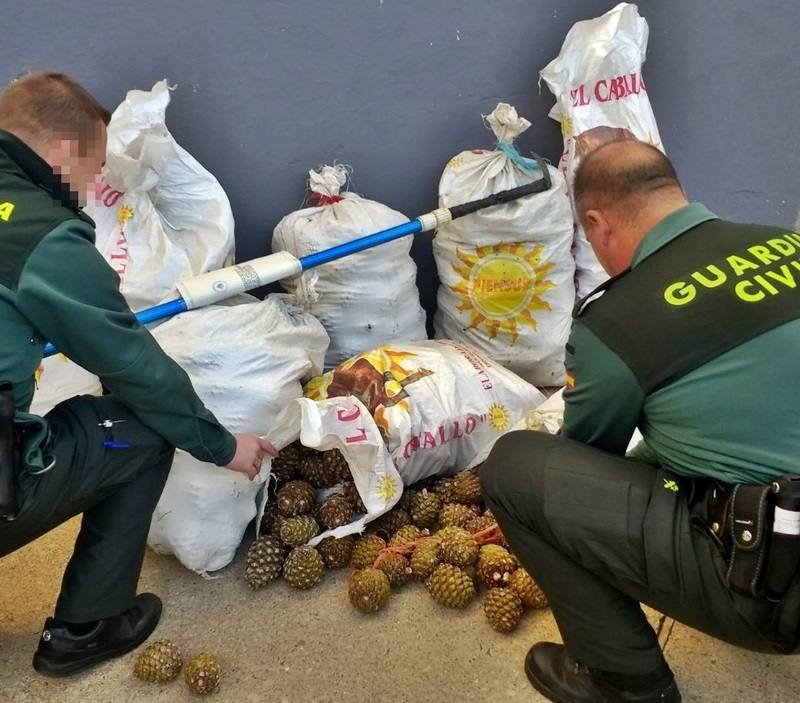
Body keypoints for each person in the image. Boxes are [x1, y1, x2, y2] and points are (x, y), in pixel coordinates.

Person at [481, 140, 800, 703]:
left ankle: (624, 683)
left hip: (778, 593)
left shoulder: (617, 323)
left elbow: (584, 468)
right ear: (676, 194)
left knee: (518, 470)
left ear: (597, 223)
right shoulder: (784, 244)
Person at [0, 72, 277, 677]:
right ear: (61, 152)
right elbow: (130, 362)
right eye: (92, 167)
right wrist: (222, 444)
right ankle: (89, 626)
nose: (91, 186)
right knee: (136, 426)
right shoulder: (37, 233)